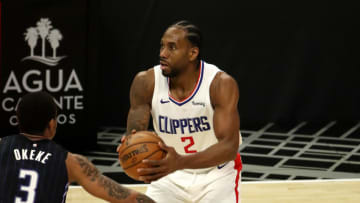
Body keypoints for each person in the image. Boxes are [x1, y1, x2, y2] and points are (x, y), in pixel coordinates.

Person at [120, 20, 242, 203]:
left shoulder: (220, 84)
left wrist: (180, 161)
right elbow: (135, 134)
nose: (162, 54)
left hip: (215, 174)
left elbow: (229, 148)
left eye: (172, 48)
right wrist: (130, 145)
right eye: (162, 46)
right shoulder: (146, 83)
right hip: (169, 175)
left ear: (192, 53)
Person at [0, 91, 154, 203]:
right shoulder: (70, 162)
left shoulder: (2, 146)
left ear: (18, 120)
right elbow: (126, 197)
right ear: (52, 124)